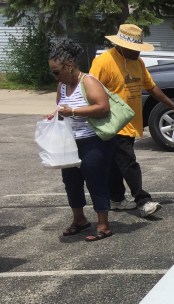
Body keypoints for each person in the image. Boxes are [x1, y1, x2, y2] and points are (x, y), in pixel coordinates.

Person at [90, 23, 174, 217]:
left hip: (130, 122)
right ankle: (143, 200)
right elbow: (89, 89)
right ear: (121, 46)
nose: (138, 52)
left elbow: (152, 87)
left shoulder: (138, 63)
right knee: (128, 162)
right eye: (134, 48)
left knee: (116, 164)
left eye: (139, 48)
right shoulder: (103, 62)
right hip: (112, 123)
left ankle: (116, 199)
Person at [47, 39, 114, 242]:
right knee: (71, 181)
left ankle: (103, 224)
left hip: (92, 141)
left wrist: (74, 111)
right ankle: (80, 220)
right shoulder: (62, 85)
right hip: (71, 142)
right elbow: (61, 108)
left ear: (69, 65)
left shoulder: (88, 82)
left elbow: (103, 107)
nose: (55, 76)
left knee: (95, 180)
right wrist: (54, 115)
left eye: (56, 72)